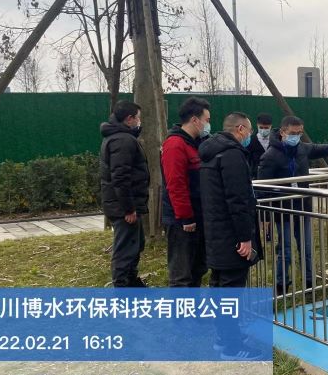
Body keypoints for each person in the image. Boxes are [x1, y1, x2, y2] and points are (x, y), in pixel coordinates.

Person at [199, 112, 263, 360]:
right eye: (249, 130)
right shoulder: (232, 155)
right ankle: (232, 347)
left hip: (216, 231)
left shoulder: (210, 153)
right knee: (230, 292)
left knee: (219, 286)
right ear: (240, 129)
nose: (251, 135)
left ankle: (225, 336)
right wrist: (245, 237)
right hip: (231, 235)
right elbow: (238, 199)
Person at [258, 115, 328, 295]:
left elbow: (317, 148)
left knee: (306, 248)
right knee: (285, 250)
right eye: (293, 133)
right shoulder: (270, 156)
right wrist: (265, 217)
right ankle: (281, 285)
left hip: (303, 207)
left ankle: (309, 283)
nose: (296, 137)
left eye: (300, 133)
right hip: (284, 210)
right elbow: (263, 188)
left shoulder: (302, 148)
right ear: (283, 132)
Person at [161, 97, 211, 287]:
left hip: (196, 215)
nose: (208, 125)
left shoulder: (195, 143)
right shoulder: (175, 144)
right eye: (206, 120)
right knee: (181, 273)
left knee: (197, 268)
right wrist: (186, 217)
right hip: (181, 220)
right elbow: (176, 184)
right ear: (195, 120)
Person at [99, 100, 150, 287]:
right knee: (125, 249)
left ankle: (132, 282)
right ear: (129, 119)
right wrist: (129, 208)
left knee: (135, 245)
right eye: (138, 118)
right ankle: (122, 289)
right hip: (124, 208)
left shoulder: (118, 137)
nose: (139, 122)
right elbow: (120, 178)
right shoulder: (123, 140)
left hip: (122, 204)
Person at [246, 112, 273, 177]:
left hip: (275, 175)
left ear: (271, 126)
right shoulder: (250, 140)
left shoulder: (276, 140)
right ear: (257, 125)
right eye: (261, 127)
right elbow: (248, 160)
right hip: (257, 176)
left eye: (266, 128)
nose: (263, 130)